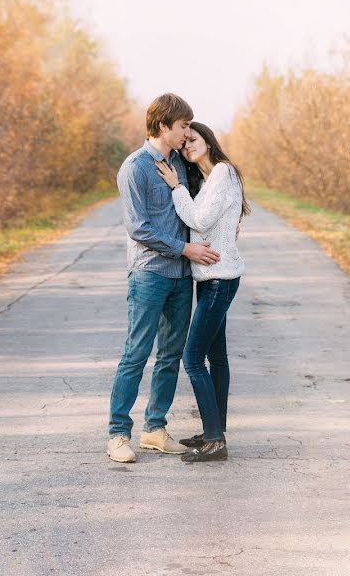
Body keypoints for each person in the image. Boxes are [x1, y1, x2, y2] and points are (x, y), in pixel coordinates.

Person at [107, 94, 221, 463]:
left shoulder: (179, 164)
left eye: (189, 125)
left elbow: (202, 203)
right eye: (183, 125)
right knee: (136, 353)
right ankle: (118, 434)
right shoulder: (135, 168)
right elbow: (139, 228)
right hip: (149, 274)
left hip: (181, 277)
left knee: (171, 355)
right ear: (163, 126)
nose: (188, 132)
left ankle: (154, 429)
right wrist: (184, 249)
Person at [154, 122, 250, 462]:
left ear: (208, 140)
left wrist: (176, 188)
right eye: (184, 145)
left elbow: (201, 220)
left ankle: (214, 440)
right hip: (214, 278)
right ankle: (216, 431)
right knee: (216, 358)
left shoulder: (222, 172)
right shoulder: (212, 179)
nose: (188, 147)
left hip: (219, 281)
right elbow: (212, 221)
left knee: (192, 359)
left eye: (192, 140)